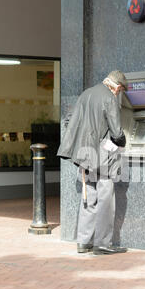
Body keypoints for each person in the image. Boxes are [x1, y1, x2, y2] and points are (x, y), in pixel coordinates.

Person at [57, 70, 128, 255]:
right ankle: (102, 243)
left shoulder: (86, 94)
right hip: (102, 156)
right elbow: (116, 131)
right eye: (120, 91)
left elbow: (68, 121)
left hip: (84, 155)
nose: (119, 94)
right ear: (117, 87)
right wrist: (122, 142)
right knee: (106, 198)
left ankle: (83, 241)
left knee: (88, 196)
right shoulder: (109, 98)